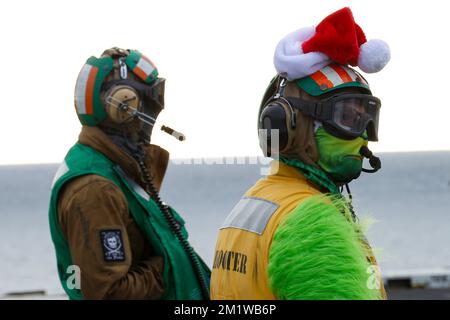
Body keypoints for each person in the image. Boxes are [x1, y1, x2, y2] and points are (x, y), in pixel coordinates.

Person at [210, 7, 390, 300]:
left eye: (367, 117)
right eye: (348, 116)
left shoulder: (258, 202)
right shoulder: (312, 226)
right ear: (287, 124)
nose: (362, 133)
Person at [48, 47, 210, 300]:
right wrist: (170, 260)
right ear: (124, 107)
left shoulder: (114, 169)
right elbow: (109, 293)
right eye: (150, 103)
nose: (153, 117)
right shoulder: (95, 190)